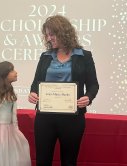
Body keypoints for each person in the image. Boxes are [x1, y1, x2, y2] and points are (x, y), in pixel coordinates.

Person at [28, 15, 99, 166]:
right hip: (45, 117)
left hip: (73, 118)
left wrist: (88, 97)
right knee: (42, 161)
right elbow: (36, 84)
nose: (48, 38)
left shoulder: (84, 56)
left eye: (51, 34)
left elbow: (93, 85)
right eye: (46, 35)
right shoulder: (45, 56)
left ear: (64, 32)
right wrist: (33, 93)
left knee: (69, 161)